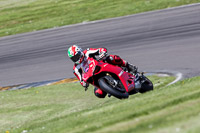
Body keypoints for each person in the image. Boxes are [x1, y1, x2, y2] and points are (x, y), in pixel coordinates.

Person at [68, 45, 137, 98]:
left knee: (112, 58)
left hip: (100, 65)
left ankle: (128, 66)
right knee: (98, 93)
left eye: (77, 56)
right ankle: (112, 90)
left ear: (80, 52)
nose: (76, 58)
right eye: (74, 58)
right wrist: (84, 84)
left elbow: (100, 49)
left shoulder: (87, 52)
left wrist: (102, 53)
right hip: (91, 75)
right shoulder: (76, 68)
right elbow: (81, 79)